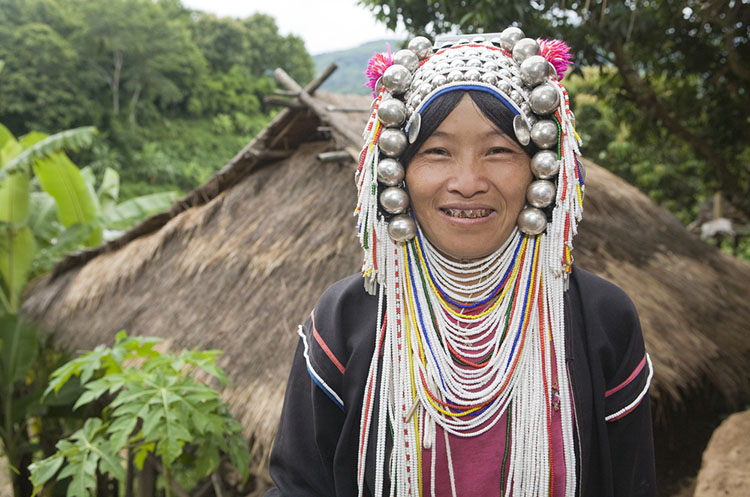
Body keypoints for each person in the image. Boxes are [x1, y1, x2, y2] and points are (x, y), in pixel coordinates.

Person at [265, 27, 656, 497]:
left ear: (542, 168)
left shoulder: (601, 319)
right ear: (397, 173)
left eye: (499, 151)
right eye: (437, 152)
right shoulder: (343, 320)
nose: (467, 181)